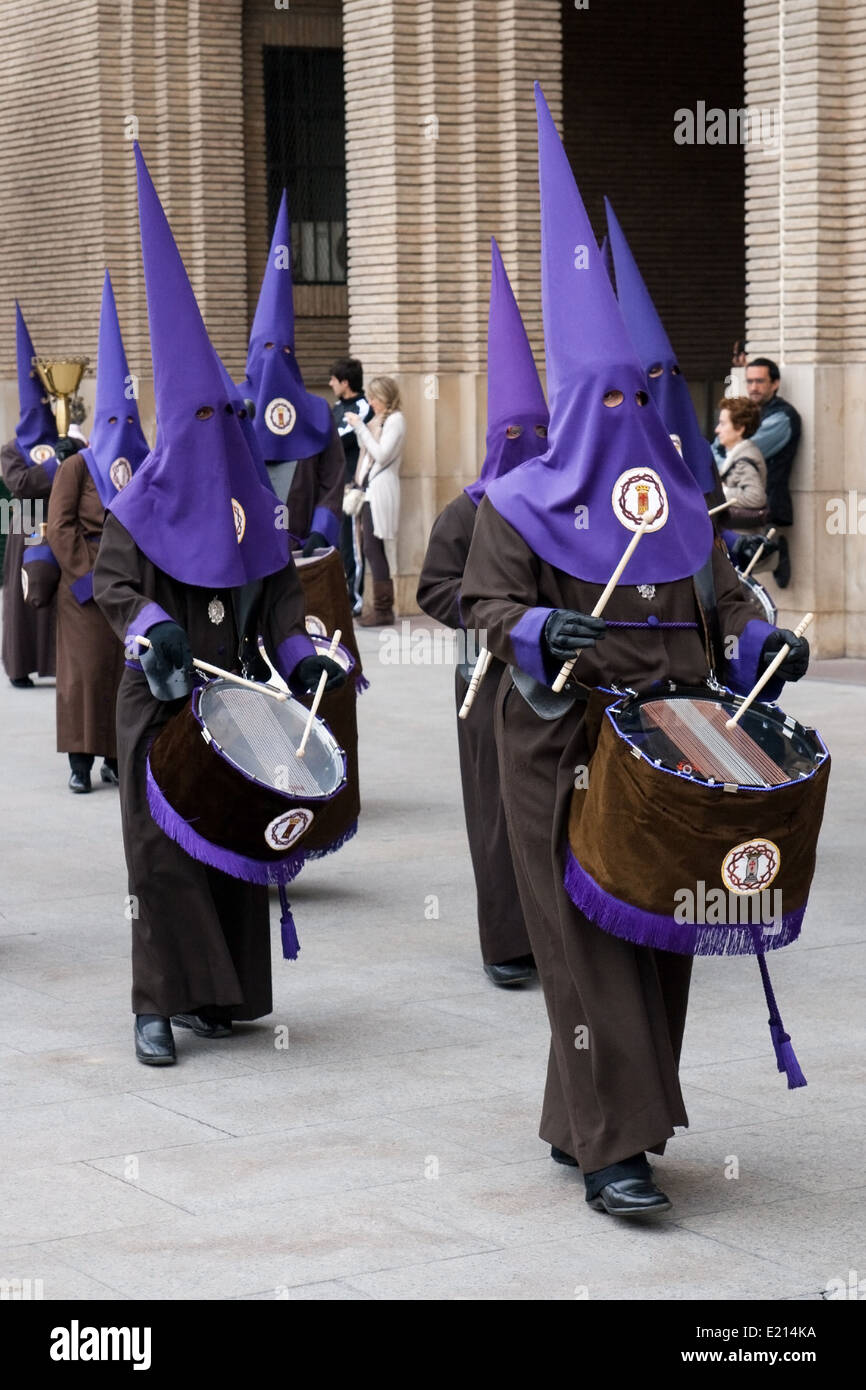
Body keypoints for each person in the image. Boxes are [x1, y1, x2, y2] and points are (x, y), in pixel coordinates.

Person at [461, 86, 810, 1218]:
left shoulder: (682, 509)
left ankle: (595, 1121)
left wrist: (763, 644)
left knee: (660, 936)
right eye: (600, 396)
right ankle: (615, 1149)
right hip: (561, 743)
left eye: (637, 395)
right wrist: (529, 626)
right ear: (571, 406)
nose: (624, 412)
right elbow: (477, 603)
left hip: (676, 748)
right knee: (585, 945)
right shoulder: (516, 504)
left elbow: (724, 607)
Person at [94, 146, 345, 1067]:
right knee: (158, 854)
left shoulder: (260, 509)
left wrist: (302, 650)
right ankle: (155, 1006)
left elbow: (279, 591)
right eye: (203, 422)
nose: (220, 436)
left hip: (236, 695)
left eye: (227, 420)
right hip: (157, 699)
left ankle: (222, 994)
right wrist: (152, 631)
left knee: (228, 837)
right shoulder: (140, 504)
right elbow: (116, 587)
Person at [418, 238, 546, 987]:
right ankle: (506, 942)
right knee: (498, 813)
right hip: (486, 680)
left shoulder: (566, 514)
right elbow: (433, 590)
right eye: (512, 438)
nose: (526, 449)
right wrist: (494, 611)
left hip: (557, 677)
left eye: (537, 436)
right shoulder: (464, 513)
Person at [47, 270, 149, 793]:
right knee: (85, 675)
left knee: (120, 675)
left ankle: (115, 754)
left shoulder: (145, 461)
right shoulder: (78, 467)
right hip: (83, 586)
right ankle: (80, 762)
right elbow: (59, 525)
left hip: (126, 587)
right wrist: (88, 577)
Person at [243, 191, 345, 557]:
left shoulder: (317, 413)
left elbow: (332, 480)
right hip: (248, 552)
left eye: (283, 352)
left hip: (304, 550)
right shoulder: (234, 407)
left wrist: (322, 531)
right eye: (267, 351)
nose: (275, 361)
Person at [604, 198, 720, 503]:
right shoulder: (609, 451)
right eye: (652, 372)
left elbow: (713, 519)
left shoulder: (700, 451)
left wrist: (733, 540)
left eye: (673, 372)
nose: (665, 380)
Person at [1, 304, 73, 687]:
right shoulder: (10, 449)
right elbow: (21, 486)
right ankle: (19, 665)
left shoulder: (63, 440)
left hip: (58, 518)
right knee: (23, 593)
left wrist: (71, 452)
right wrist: (52, 466)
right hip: (26, 519)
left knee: (59, 592)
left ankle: (55, 663)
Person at [346, 376, 404, 627]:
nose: (370, 403)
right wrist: (363, 427)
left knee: (373, 546)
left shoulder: (396, 420)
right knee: (369, 547)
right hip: (370, 491)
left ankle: (383, 609)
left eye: (374, 398)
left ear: (385, 398)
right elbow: (366, 450)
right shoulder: (381, 420)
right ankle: (380, 607)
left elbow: (381, 454)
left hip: (381, 490)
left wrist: (360, 427)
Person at [741, 356, 800, 585]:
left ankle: (774, 554)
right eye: (749, 381)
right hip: (745, 497)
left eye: (759, 381)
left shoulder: (782, 416)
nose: (753, 387)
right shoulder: (748, 414)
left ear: (775, 384)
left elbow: (744, 450)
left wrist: (724, 449)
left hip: (767, 501)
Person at [329, 357, 371, 615]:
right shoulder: (337, 407)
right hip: (335, 486)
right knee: (338, 544)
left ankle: (355, 600)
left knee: (353, 545)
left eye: (334, 379)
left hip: (352, 488)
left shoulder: (363, 407)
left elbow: (338, 438)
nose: (330, 383)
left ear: (345, 382)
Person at [712, 395, 768, 521]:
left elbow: (756, 497)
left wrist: (723, 491)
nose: (717, 430)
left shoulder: (745, 458)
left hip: (742, 536)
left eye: (722, 424)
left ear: (740, 429)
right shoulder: (740, 454)